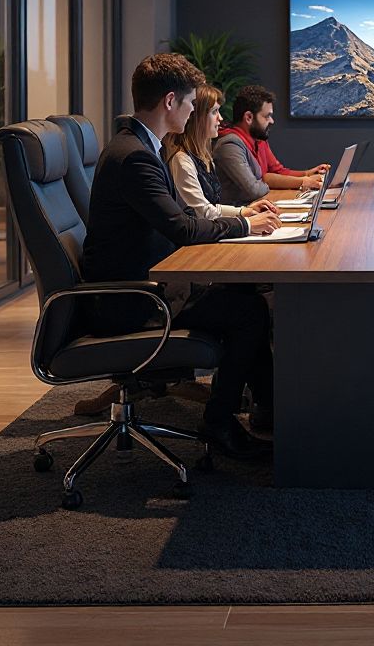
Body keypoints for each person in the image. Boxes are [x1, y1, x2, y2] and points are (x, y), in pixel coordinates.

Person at [82, 53, 273, 460]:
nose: (192, 111)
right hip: (134, 301)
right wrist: (244, 225)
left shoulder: (137, 147)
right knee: (250, 312)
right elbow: (182, 229)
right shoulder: (135, 157)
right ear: (170, 102)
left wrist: (239, 220)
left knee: (243, 299)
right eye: (189, 103)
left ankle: (269, 411)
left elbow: (180, 219)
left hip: (141, 286)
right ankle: (220, 423)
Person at [164, 83, 282, 235]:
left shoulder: (203, 156)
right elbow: (202, 213)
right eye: (214, 112)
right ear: (197, 117)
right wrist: (246, 222)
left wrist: (244, 211)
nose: (220, 118)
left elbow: (212, 207)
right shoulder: (182, 160)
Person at [214, 84, 330, 204]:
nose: (272, 121)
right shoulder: (230, 145)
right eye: (267, 116)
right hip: (243, 212)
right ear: (248, 117)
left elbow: (277, 172)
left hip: (261, 207)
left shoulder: (259, 139)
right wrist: (270, 180)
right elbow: (254, 189)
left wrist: (307, 174)